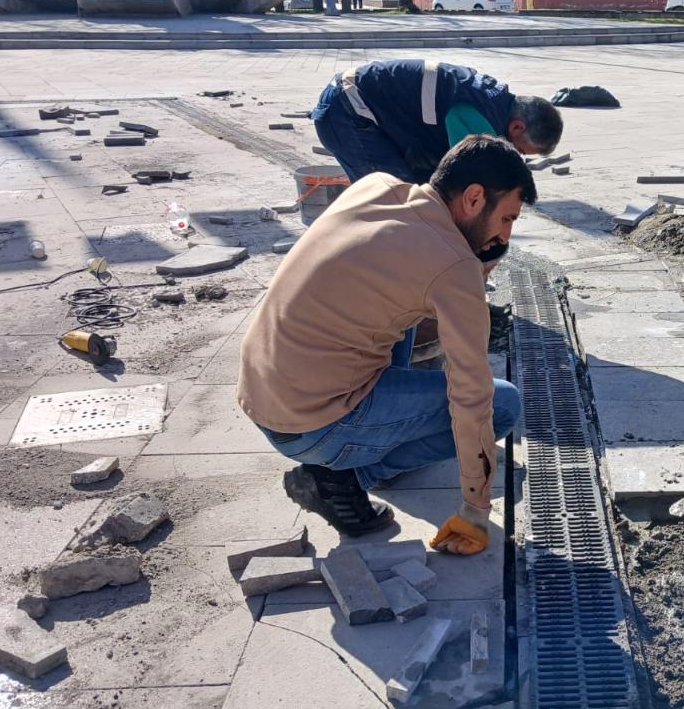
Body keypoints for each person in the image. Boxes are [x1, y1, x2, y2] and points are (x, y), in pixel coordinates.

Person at [238, 135, 534, 554]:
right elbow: (473, 396)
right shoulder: (454, 267)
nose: (502, 236)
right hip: (311, 427)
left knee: (405, 308)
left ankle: (360, 447)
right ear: (473, 198)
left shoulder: (374, 187)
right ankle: (342, 480)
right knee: (504, 404)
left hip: (262, 393)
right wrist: (475, 506)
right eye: (507, 218)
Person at [311, 59, 564, 184]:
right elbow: (462, 173)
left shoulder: (496, 102)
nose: (514, 154)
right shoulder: (480, 122)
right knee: (394, 200)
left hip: (358, 108)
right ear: (517, 127)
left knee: (416, 195)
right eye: (519, 149)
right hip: (347, 113)